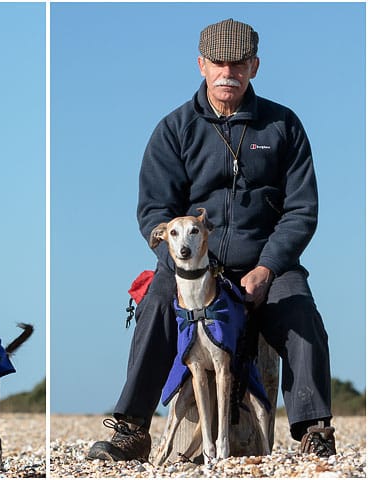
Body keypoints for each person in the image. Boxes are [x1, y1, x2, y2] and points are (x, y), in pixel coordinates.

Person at [87, 18, 335, 462]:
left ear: (254, 66)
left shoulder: (284, 125)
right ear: (201, 64)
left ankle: (314, 430)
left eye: (238, 64)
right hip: (190, 266)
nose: (228, 73)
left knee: (302, 314)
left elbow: (302, 210)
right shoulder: (174, 128)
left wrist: (268, 267)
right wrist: (180, 262)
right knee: (157, 303)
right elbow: (154, 211)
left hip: (266, 262)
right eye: (218, 63)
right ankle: (132, 429)